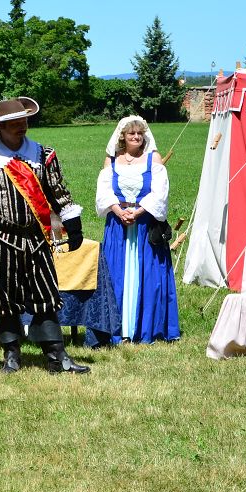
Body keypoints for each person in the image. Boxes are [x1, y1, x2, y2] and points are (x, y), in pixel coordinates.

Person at [0, 97, 90, 374]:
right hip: (1, 238)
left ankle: (57, 357)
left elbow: (58, 191)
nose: (22, 126)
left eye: (24, 121)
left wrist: (72, 221)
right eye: (15, 122)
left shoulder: (43, 155)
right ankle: (11, 357)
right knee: (5, 300)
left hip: (37, 238)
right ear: (1, 127)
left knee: (46, 295)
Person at [94, 115, 180, 344]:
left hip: (144, 225)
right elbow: (104, 192)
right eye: (131, 133)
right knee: (116, 273)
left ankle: (145, 327)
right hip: (118, 225)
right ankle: (117, 327)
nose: (136, 137)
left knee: (148, 275)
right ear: (123, 136)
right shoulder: (112, 161)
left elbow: (160, 193)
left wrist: (138, 212)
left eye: (140, 133)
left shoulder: (153, 160)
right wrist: (118, 210)